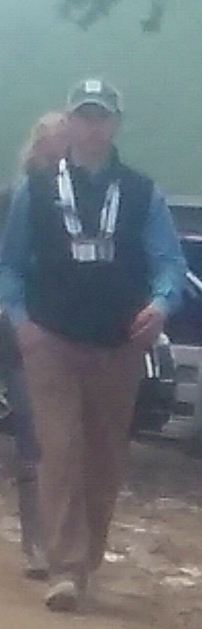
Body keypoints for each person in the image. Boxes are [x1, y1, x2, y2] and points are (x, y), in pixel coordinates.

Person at [0, 81, 186, 614]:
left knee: (104, 456)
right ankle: (65, 568)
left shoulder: (142, 193)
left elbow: (169, 261)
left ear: (114, 124)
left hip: (118, 343)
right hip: (51, 339)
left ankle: (87, 560)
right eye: (83, 116)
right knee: (59, 448)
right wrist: (21, 321)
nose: (91, 126)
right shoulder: (36, 190)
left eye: (101, 117)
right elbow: (10, 264)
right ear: (70, 121)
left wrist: (162, 304)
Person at [1, 112, 73, 578]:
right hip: (16, 328)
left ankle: (47, 539)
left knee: (45, 434)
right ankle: (38, 541)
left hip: (55, 331)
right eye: (57, 144)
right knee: (33, 430)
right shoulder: (14, 200)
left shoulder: (78, 204)